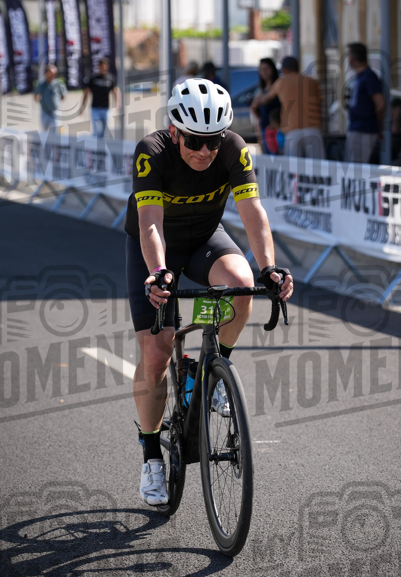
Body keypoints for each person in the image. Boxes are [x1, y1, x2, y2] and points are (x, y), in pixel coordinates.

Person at [125, 77, 293, 506]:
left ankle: (212, 371)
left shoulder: (235, 149)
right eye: (196, 141)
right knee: (157, 355)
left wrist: (269, 268)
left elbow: (252, 211)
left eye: (213, 142)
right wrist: (160, 272)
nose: (205, 151)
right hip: (154, 247)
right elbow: (149, 224)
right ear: (176, 132)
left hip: (203, 238)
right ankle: (150, 459)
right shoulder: (152, 152)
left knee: (240, 285)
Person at [255, 56, 325, 159]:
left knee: (294, 170)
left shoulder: (281, 82)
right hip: (313, 130)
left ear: (283, 70)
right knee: (317, 169)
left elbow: (265, 100)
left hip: (292, 132)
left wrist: (255, 103)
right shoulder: (312, 81)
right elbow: (320, 103)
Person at [344, 42, 385, 163]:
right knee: (351, 167)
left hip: (364, 129)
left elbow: (380, 103)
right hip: (356, 127)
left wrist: (378, 125)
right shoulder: (359, 77)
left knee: (357, 169)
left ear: (352, 58)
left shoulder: (369, 77)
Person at [79, 57, 119, 138]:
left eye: (104, 66)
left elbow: (115, 91)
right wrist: (82, 107)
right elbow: (86, 93)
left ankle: (102, 150)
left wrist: (118, 103)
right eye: (101, 66)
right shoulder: (93, 79)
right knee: (97, 131)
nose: (102, 68)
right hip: (95, 109)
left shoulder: (110, 79)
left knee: (105, 132)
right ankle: (95, 149)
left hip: (105, 108)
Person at [250, 58, 280, 154]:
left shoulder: (278, 85)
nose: (264, 72)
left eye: (266, 69)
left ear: (273, 69)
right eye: (261, 69)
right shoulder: (261, 89)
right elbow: (253, 107)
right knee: (267, 160)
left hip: (277, 131)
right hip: (265, 130)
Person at [34, 64, 66, 132]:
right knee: (44, 131)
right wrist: (39, 99)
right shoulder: (41, 84)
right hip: (44, 111)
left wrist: (56, 101)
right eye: (51, 74)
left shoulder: (58, 83)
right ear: (46, 73)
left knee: (56, 131)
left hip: (55, 111)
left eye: (54, 74)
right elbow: (35, 95)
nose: (53, 76)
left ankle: (55, 143)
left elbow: (63, 95)